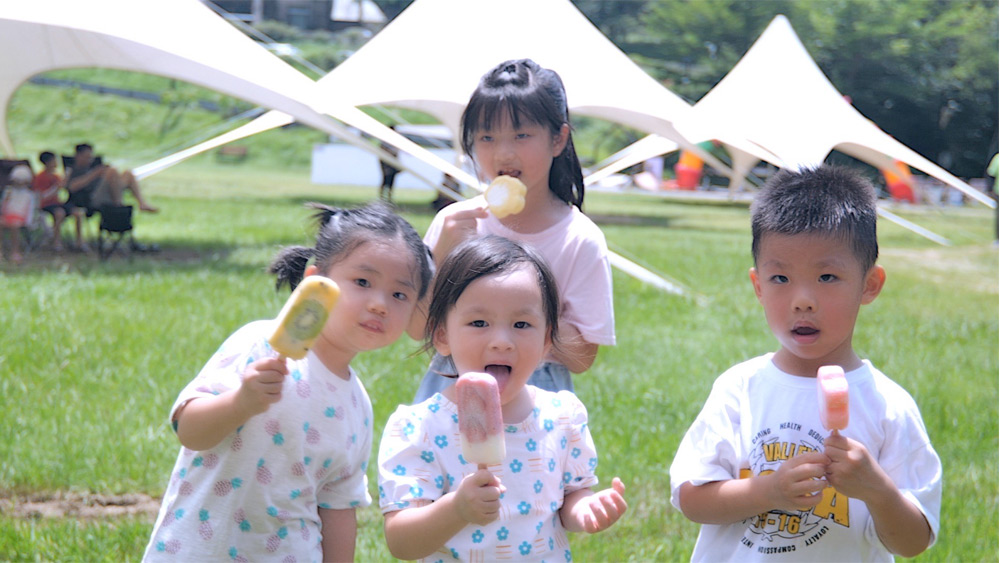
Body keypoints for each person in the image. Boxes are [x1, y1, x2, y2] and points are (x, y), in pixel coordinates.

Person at [669, 165, 942, 561]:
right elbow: (692, 498)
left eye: (827, 277)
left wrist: (877, 490)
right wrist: (770, 490)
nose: (802, 300)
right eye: (780, 279)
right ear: (758, 286)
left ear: (870, 285)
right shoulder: (740, 389)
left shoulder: (889, 407)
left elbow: (913, 541)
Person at [143, 202, 434, 562]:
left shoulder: (358, 404)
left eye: (399, 294)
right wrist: (241, 403)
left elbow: (338, 508)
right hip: (201, 550)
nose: (379, 304)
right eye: (362, 282)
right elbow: (189, 431)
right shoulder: (260, 344)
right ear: (315, 284)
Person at [378, 235, 628, 561]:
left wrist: (586, 509)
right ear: (442, 336)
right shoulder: (418, 428)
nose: (501, 341)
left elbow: (570, 498)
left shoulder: (563, 416)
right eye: (479, 322)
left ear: (546, 340)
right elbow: (402, 543)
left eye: (522, 324)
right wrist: (456, 508)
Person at [411, 59, 615, 401]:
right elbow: (417, 328)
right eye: (487, 137)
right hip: (451, 386)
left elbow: (583, 357)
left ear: (558, 139)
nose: (504, 153)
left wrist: (525, 311)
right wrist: (442, 257)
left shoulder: (580, 239)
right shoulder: (455, 222)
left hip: (538, 392)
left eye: (521, 136)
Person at [66, 143, 158, 216]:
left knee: (128, 173)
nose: (89, 160)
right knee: (112, 171)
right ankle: (118, 205)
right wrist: (94, 174)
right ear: (78, 156)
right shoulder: (72, 170)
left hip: (106, 192)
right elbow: (72, 187)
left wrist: (103, 173)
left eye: (91, 157)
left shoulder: (93, 165)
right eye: (87, 157)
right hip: (91, 198)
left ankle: (142, 203)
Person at [31, 151, 78, 252]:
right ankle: (56, 241)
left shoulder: (56, 176)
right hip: (46, 204)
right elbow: (41, 196)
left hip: (57, 203)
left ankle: (79, 241)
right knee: (59, 213)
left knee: (78, 212)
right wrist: (56, 188)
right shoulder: (40, 177)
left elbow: (63, 186)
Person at [0, 164, 34, 263]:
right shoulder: (8, 192)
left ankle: (15, 251)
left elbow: (30, 210)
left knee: (15, 226)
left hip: (20, 218)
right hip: (8, 215)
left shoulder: (29, 194)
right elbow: (3, 206)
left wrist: (29, 222)